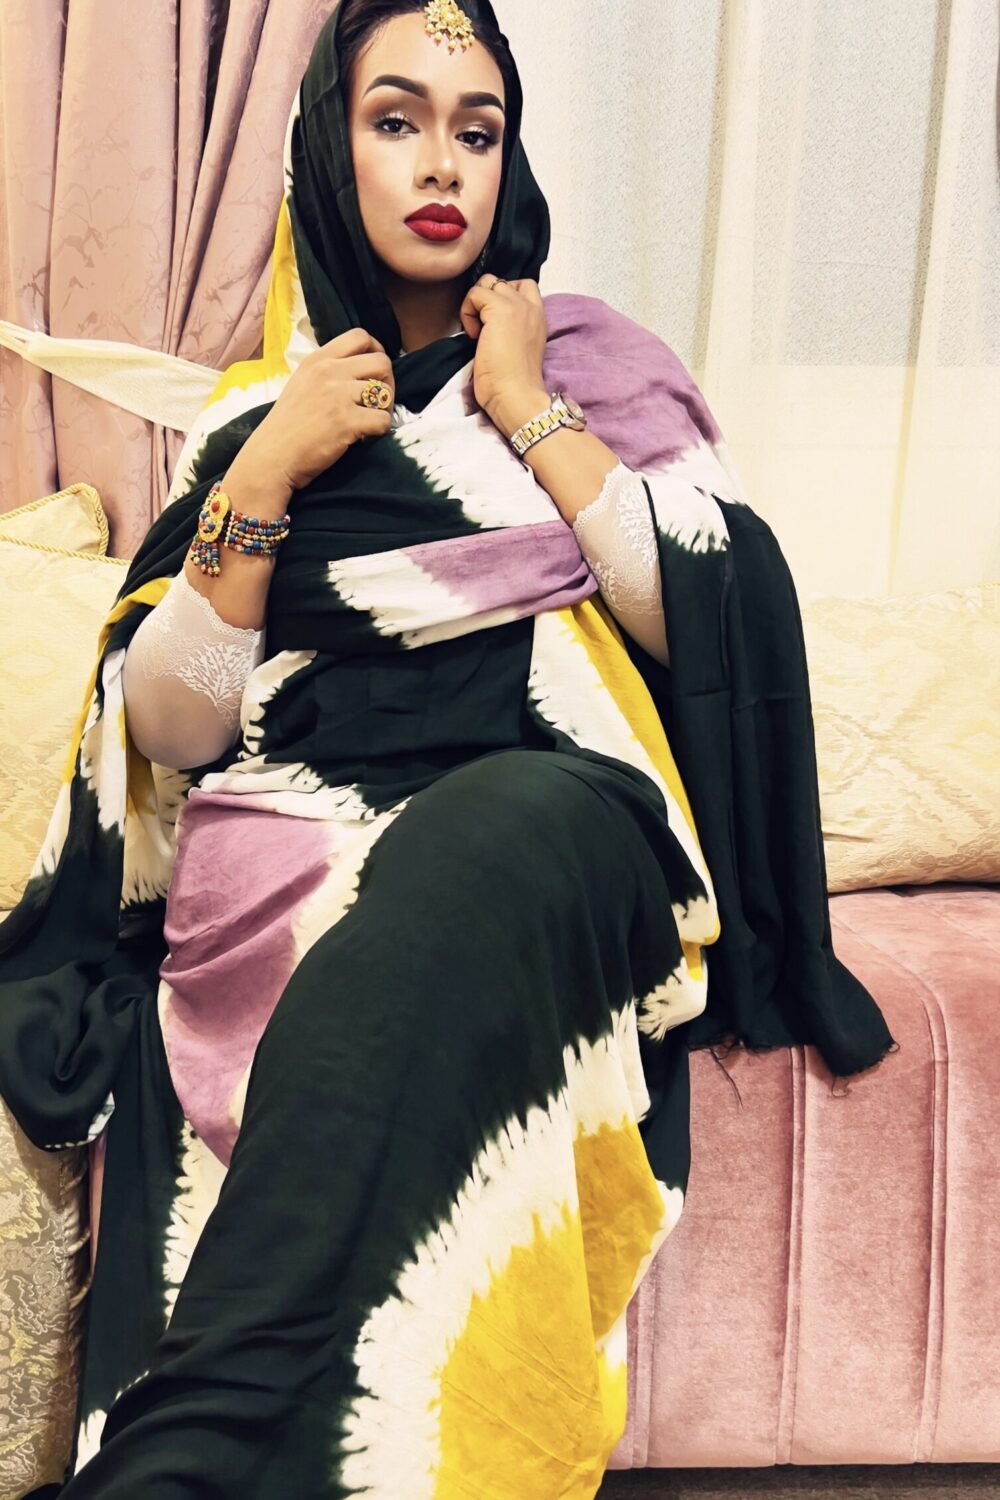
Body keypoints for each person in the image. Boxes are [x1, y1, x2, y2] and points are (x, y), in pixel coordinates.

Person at [0, 0, 897, 1494]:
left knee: (477, 845)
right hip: (292, 840)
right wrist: (271, 469)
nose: (441, 164)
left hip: (552, 813)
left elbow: (708, 615)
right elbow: (177, 725)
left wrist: (526, 407)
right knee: (371, 917)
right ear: (328, 150)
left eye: (476, 130)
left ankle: (181, 1458)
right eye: (395, 120)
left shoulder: (597, 366)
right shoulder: (256, 420)